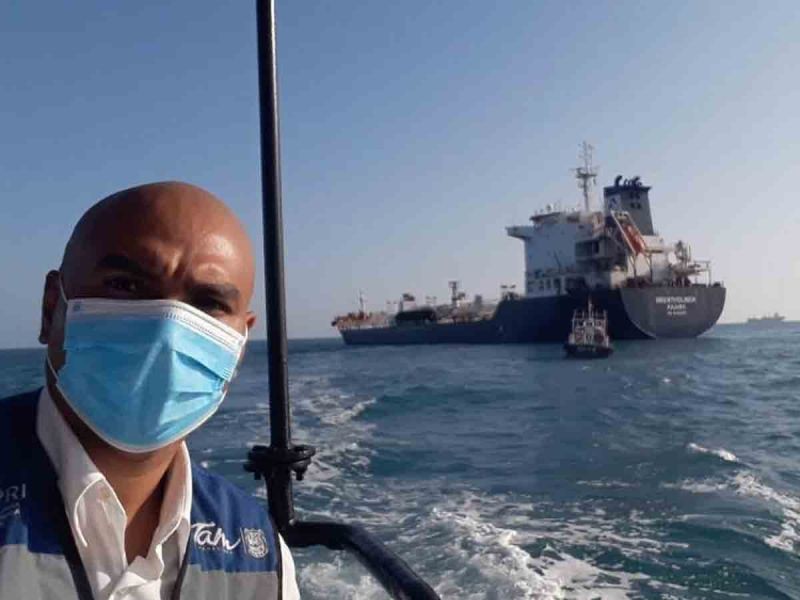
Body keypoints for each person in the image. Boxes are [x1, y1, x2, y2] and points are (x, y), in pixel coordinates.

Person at [0, 182, 300, 599]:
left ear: (240, 342)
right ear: (52, 308)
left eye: (208, 303)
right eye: (126, 285)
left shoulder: (260, 554)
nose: (166, 330)